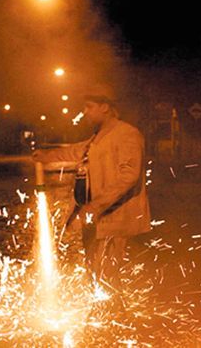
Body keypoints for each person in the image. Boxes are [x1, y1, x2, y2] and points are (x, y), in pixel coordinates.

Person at [33, 83, 151, 290]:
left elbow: (129, 176)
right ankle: (105, 315)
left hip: (115, 219)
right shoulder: (98, 138)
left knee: (106, 276)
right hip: (95, 220)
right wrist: (47, 157)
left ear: (104, 107)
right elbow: (77, 151)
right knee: (96, 274)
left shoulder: (126, 134)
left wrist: (96, 205)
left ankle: (113, 318)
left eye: (89, 107)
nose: (85, 112)